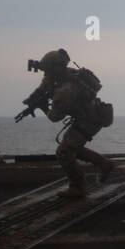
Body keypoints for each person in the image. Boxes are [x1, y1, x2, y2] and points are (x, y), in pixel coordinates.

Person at [19, 49, 116, 199]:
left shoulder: (65, 90)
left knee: (64, 152)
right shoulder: (65, 74)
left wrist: (42, 106)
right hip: (90, 115)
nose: (46, 74)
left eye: (48, 70)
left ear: (55, 69)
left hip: (89, 120)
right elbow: (45, 84)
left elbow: (55, 117)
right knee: (72, 147)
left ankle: (78, 187)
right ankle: (104, 164)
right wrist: (34, 98)